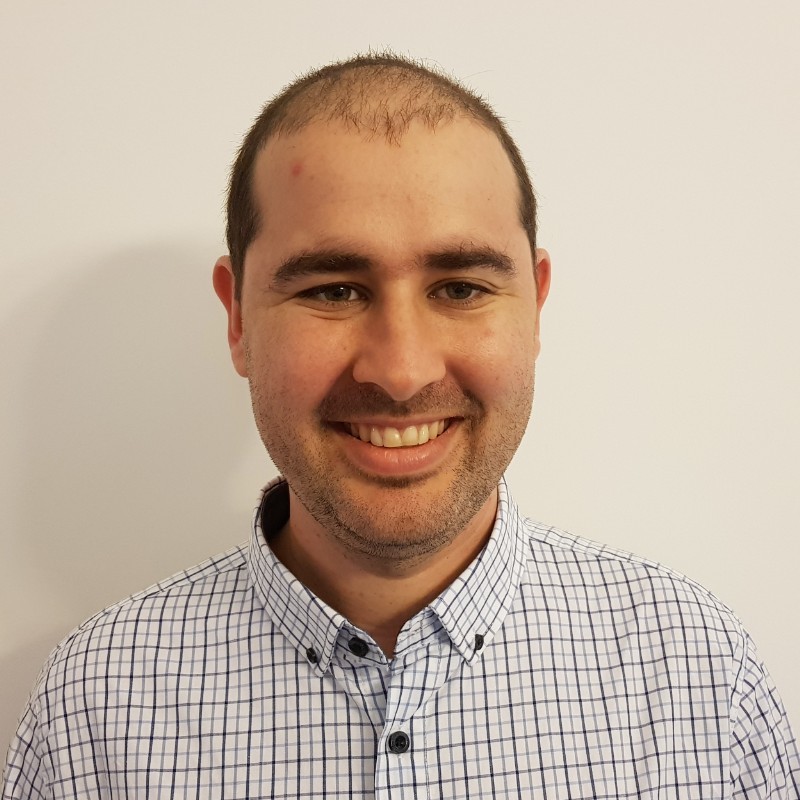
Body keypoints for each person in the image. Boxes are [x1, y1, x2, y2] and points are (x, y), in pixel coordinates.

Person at [3, 52, 799, 800]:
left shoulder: (699, 674)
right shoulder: (94, 709)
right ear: (238, 318)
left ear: (535, 306)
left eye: (460, 288)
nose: (403, 371)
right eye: (334, 290)